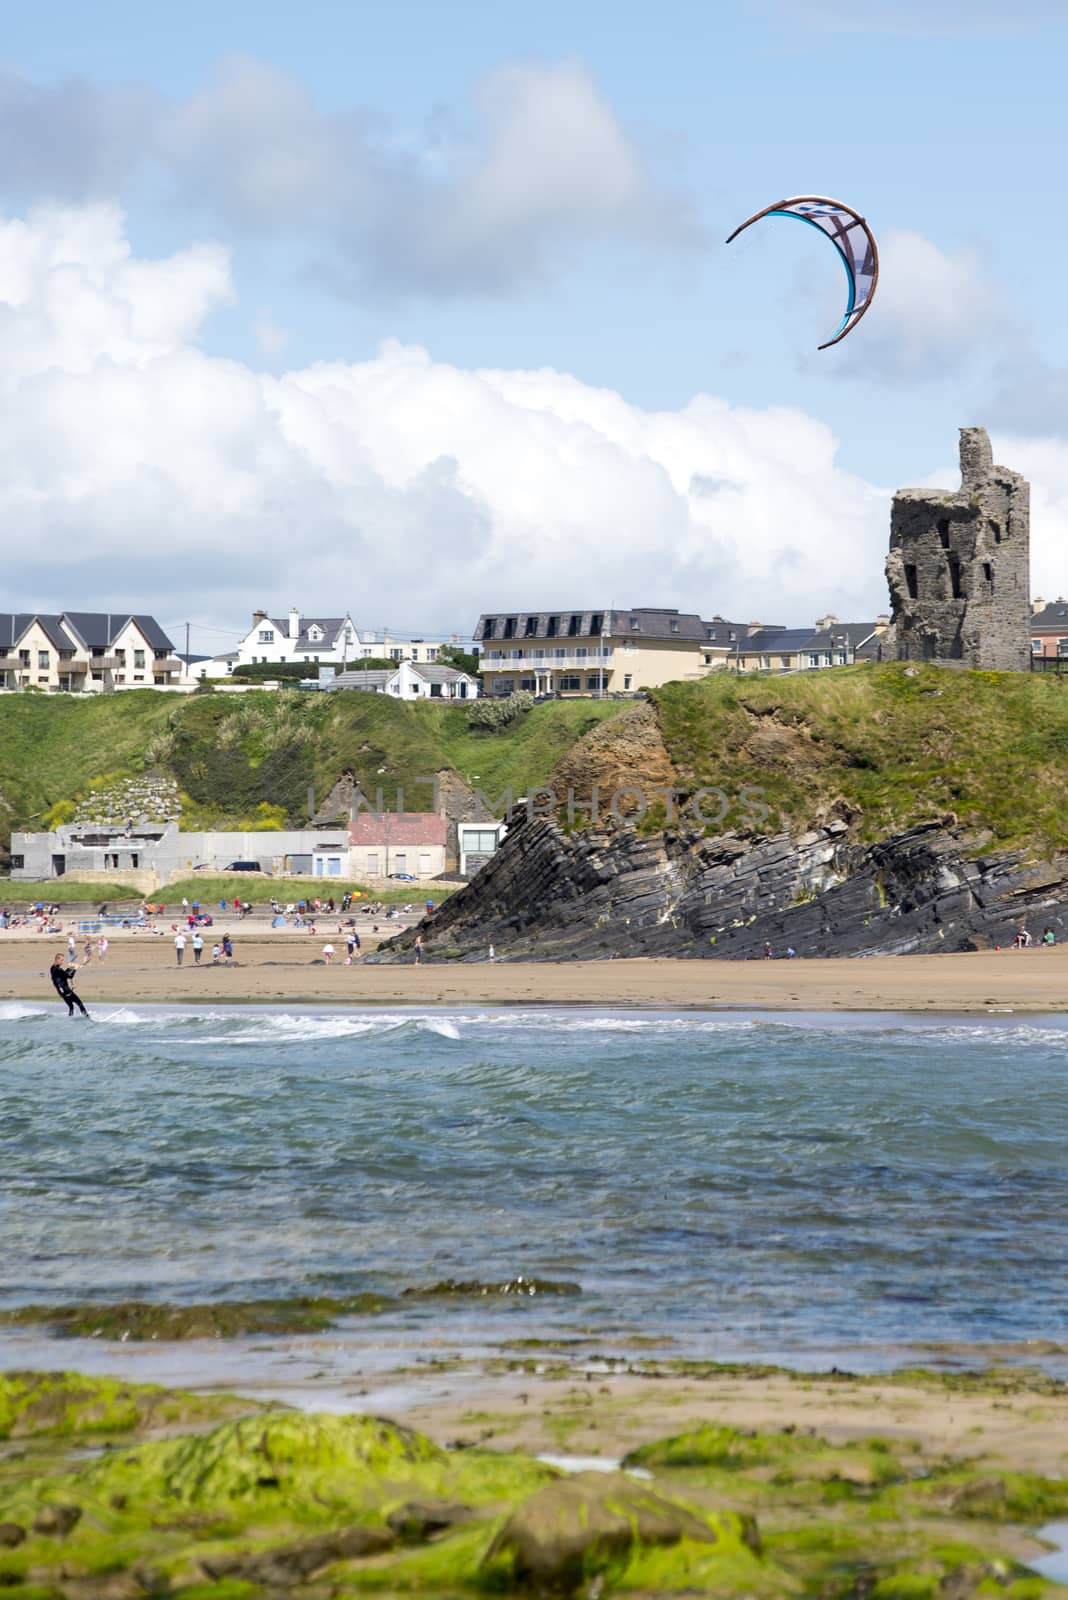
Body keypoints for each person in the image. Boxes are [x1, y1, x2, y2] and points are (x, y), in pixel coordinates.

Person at [50, 954, 89, 1018]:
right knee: (79, 1003)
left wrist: (71, 968)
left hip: (61, 991)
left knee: (71, 1007)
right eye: (61, 960)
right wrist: (75, 969)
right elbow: (69, 976)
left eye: (63, 960)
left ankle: (69, 1020)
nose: (62, 962)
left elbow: (63, 975)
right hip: (66, 990)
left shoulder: (53, 968)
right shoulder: (58, 969)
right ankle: (87, 1018)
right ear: (57, 960)